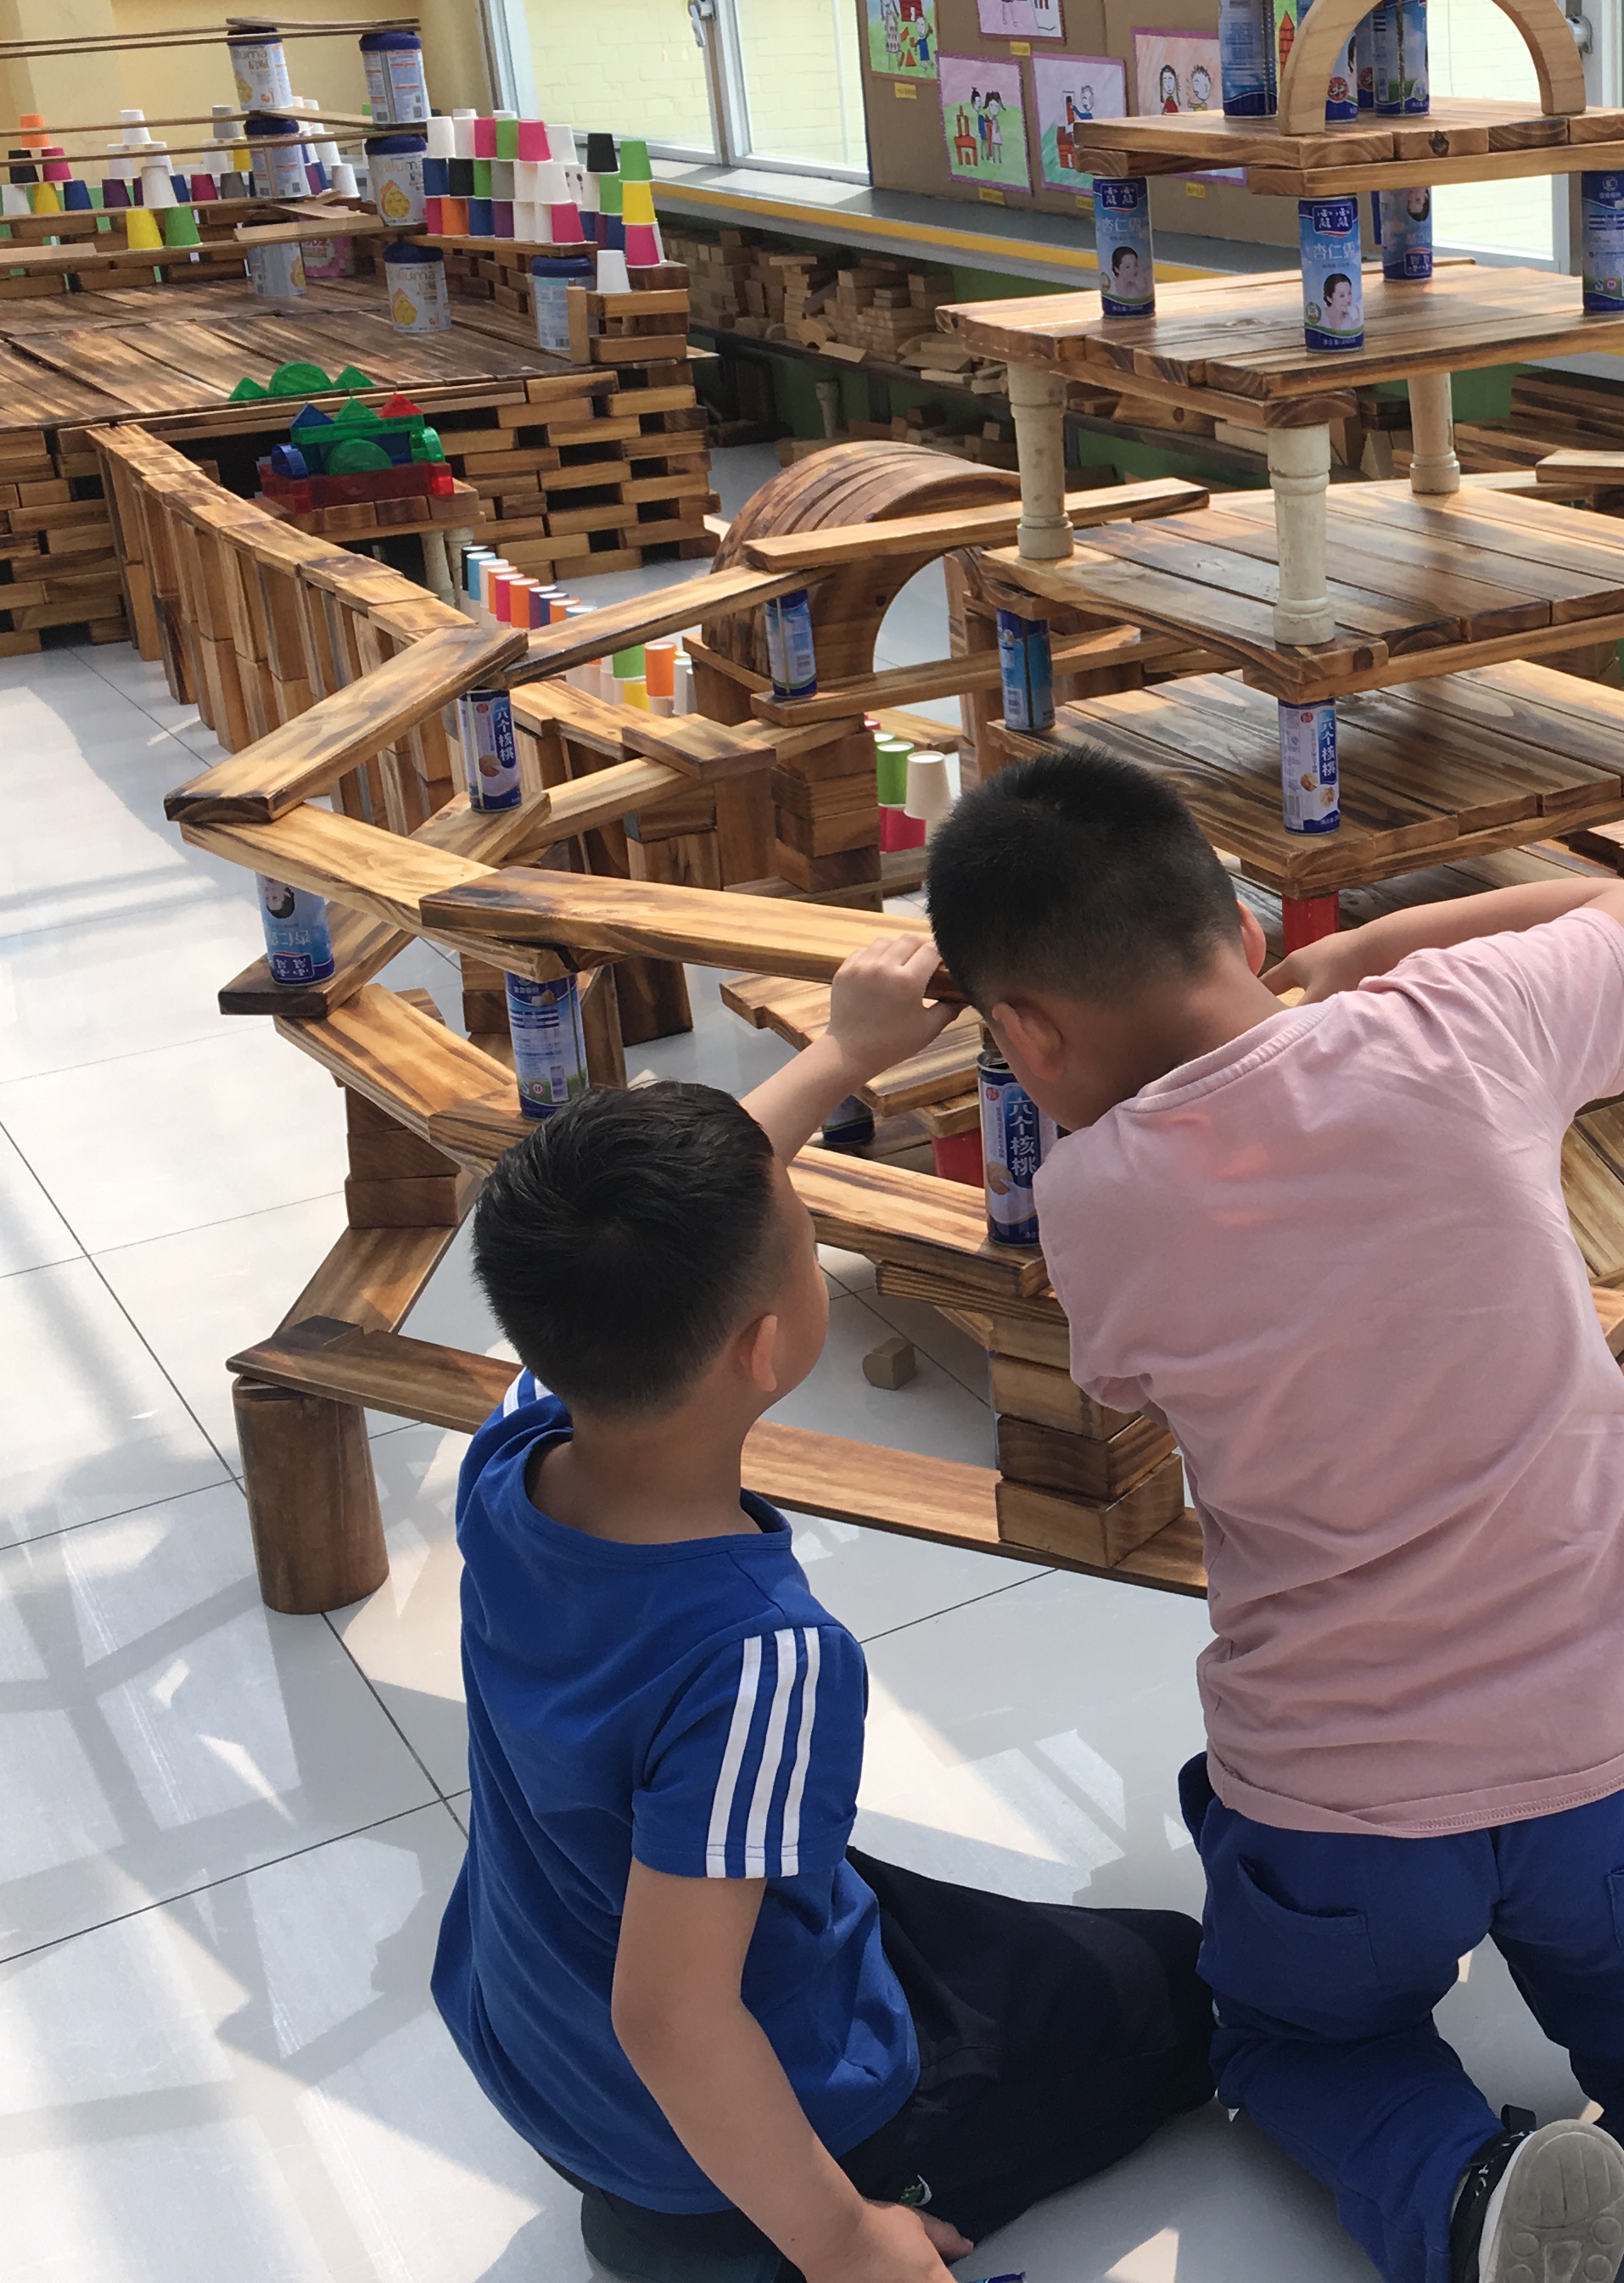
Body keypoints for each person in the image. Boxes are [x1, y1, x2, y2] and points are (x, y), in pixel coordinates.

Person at [924, 752, 1624, 2283]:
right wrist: (1390, 947)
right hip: (1615, 1749)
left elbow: (1129, 1376)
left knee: (1289, 2040)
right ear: (1242, 929)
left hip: (1337, 1802)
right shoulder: (1461, 1021)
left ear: (1028, 1030)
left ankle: (1463, 2193)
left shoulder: (1094, 1201)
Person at [434, 935, 1215, 2283]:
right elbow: (675, 2018)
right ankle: (751, 2232)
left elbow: (666, 1227)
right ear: (764, 1346)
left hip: (538, 2031)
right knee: (1186, 1993)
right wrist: (850, 2244)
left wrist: (846, 1053)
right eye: (803, 1236)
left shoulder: (518, 1444)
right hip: (704, 2111)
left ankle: (685, 2203)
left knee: (925, 1920)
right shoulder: (760, 1657)